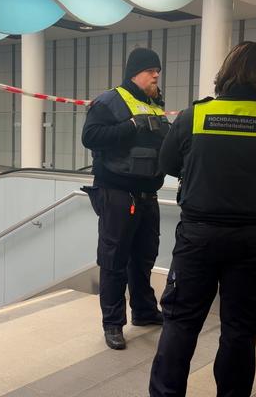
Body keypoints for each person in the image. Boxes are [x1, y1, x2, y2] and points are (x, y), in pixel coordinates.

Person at [148, 41, 256, 396]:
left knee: (181, 322)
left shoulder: (195, 115)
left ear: (224, 73)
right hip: (254, 240)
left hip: (198, 236)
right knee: (239, 329)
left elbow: (168, 163)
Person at [81, 47, 171, 350]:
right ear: (135, 72)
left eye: (157, 70)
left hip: (148, 193)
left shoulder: (155, 103)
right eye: (150, 70)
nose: (156, 74)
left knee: (144, 256)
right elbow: (90, 137)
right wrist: (130, 127)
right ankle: (113, 323)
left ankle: (144, 311)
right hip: (117, 193)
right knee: (114, 260)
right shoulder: (110, 101)